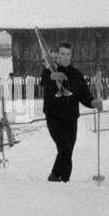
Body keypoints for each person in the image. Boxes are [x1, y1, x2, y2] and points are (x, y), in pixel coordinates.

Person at [41, 42, 96, 183]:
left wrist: (93, 103)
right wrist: (53, 77)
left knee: (68, 150)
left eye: (68, 54)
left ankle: (64, 180)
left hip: (71, 118)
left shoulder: (76, 74)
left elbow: (84, 96)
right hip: (54, 117)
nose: (65, 57)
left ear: (71, 55)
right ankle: (55, 176)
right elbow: (44, 82)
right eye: (62, 54)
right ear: (57, 55)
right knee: (64, 147)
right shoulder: (49, 70)